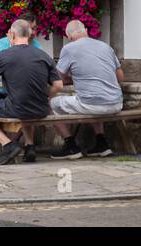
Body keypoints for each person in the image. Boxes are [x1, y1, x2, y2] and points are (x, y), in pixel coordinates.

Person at [0, 19, 61, 165]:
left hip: (16, 107)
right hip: (42, 109)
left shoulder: (5, 55)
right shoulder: (44, 55)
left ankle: (8, 145)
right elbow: (59, 85)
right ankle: (30, 147)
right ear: (30, 35)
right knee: (22, 103)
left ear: (11, 34)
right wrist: (46, 96)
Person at [49, 20, 124, 159]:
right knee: (93, 93)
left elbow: (58, 79)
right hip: (116, 103)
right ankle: (102, 144)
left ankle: (70, 145)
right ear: (86, 31)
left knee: (49, 104)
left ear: (69, 37)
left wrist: (74, 78)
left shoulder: (69, 49)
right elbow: (120, 77)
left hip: (91, 105)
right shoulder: (105, 46)